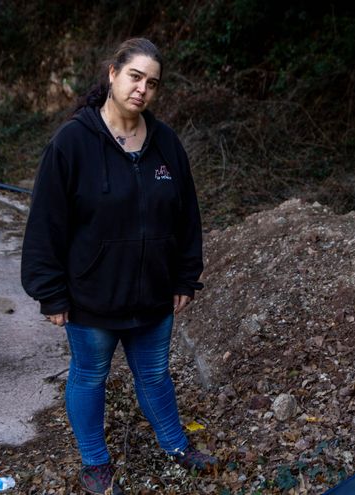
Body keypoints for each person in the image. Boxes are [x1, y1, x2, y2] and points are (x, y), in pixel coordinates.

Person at [21, 37, 216, 495]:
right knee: (90, 376)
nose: (142, 89)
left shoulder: (167, 143)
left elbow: (188, 216)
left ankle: (176, 446)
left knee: (154, 375)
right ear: (112, 73)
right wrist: (50, 291)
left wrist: (187, 275)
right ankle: (94, 462)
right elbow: (46, 221)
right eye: (135, 76)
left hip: (153, 292)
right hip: (92, 295)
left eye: (152, 83)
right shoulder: (72, 142)